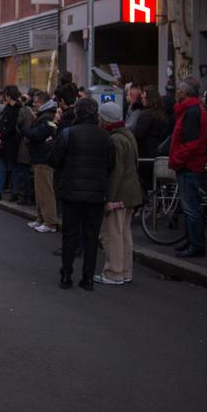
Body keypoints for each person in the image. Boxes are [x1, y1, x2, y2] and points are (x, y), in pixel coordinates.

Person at [49, 98, 115, 291]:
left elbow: (53, 159)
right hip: (96, 192)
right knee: (91, 235)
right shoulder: (105, 136)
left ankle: (66, 274)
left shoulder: (69, 133)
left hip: (71, 191)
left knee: (70, 234)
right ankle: (88, 278)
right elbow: (111, 164)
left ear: (77, 113)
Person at [96, 102, 144, 285]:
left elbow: (115, 173)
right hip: (131, 192)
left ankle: (113, 272)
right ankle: (125, 271)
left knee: (111, 234)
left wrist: (109, 198)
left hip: (120, 194)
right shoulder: (128, 135)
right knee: (124, 233)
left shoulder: (115, 140)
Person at [169, 79, 207, 258]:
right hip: (188, 163)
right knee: (189, 207)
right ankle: (192, 241)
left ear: (184, 93)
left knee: (190, 207)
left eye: (179, 90)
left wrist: (177, 159)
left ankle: (196, 244)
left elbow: (191, 142)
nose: (176, 92)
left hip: (188, 164)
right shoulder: (192, 110)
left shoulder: (191, 112)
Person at [21, 91, 60, 233]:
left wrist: (25, 130)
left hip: (44, 158)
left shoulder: (47, 117)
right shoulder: (44, 116)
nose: (35, 104)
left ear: (43, 102)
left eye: (37, 102)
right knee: (40, 190)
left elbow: (38, 134)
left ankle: (50, 221)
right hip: (39, 157)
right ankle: (41, 218)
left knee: (45, 191)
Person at [132, 87, 170, 190]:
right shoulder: (163, 115)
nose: (142, 99)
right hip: (158, 154)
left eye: (144, 97)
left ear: (150, 99)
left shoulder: (146, 115)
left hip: (145, 154)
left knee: (146, 184)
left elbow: (138, 134)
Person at [0, 85, 23, 202]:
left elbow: (13, 127)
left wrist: (2, 134)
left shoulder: (18, 109)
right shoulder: (8, 107)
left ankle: (14, 192)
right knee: (3, 167)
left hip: (11, 143)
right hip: (4, 143)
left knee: (13, 168)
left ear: (9, 95)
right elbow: (1, 122)